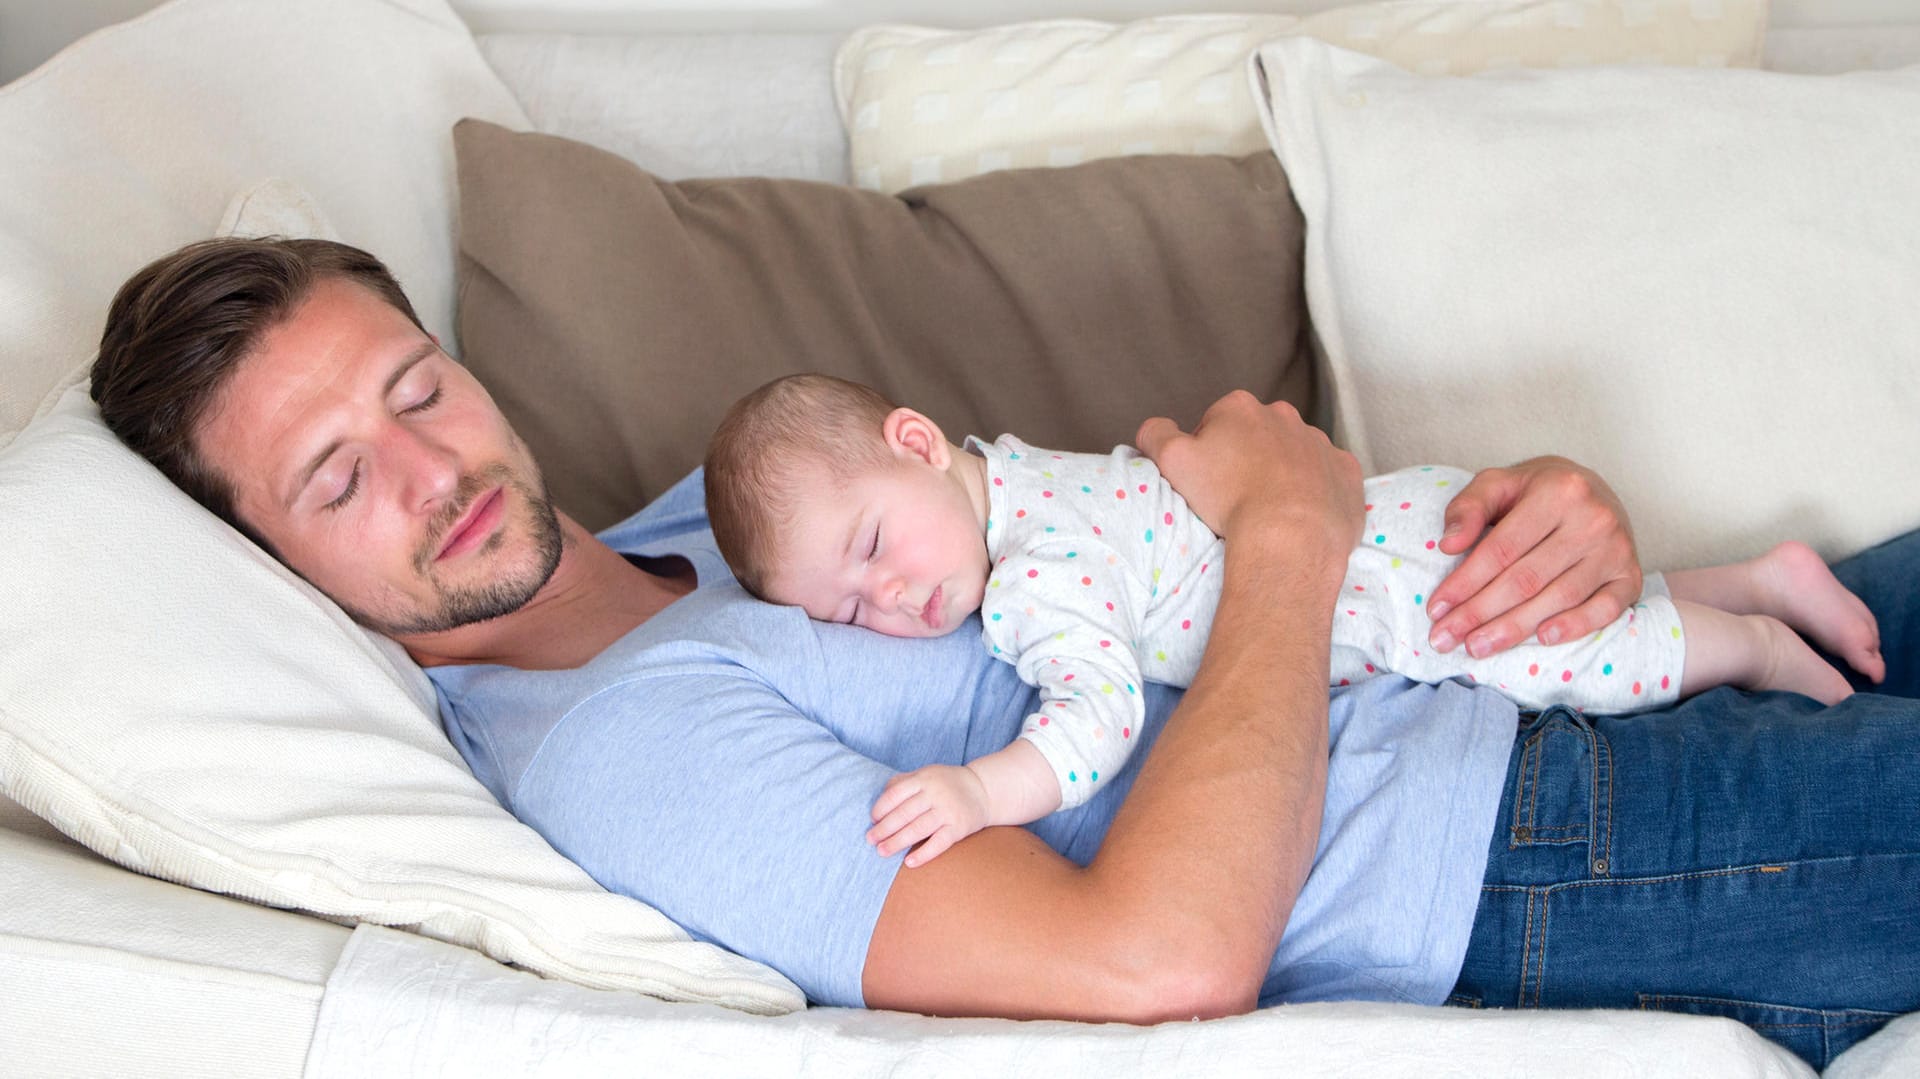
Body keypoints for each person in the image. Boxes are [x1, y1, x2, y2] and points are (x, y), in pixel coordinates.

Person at [89, 237, 1918, 1070]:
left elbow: (1117, 547)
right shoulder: (617, 751)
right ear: (273, 562)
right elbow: (1152, 959)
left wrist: (1536, 524)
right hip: (1537, 857)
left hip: (1501, 661)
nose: (435, 470)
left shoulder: (707, 526)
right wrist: (1304, 526)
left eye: (420, 389)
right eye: (341, 475)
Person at [701, 374, 1884, 866]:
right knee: (1587, 606)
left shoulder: (1029, 571)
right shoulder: (1012, 474)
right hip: (1386, 524)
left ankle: (1767, 644)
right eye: (848, 609)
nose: (893, 601)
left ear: (917, 442)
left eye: (871, 549)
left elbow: (1097, 712)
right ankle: (1763, 577)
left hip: (1400, 595)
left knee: (1606, 659)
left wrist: (977, 791)